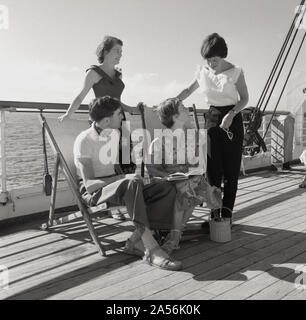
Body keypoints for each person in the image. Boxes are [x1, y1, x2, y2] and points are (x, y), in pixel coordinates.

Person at [73, 96, 182, 270]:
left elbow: (116, 168)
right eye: (119, 114)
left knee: (165, 186)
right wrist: (123, 178)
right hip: (94, 192)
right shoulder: (84, 140)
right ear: (107, 120)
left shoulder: (114, 134)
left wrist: (139, 177)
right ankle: (152, 249)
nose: (122, 118)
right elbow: (90, 185)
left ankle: (137, 240)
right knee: (130, 184)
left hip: (116, 186)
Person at [176, 33, 249, 225]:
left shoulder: (236, 72)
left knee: (231, 172)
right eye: (208, 59)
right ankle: (215, 214)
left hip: (232, 118)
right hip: (212, 119)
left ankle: (227, 215)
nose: (211, 63)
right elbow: (187, 90)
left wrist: (232, 114)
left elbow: (244, 99)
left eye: (214, 59)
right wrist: (173, 101)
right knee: (212, 171)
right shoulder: (203, 71)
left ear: (223, 55)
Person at [59, 35, 136, 220]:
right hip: (104, 121)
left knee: (125, 161)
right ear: (106, 51)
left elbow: (117, 101)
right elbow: (81, 96)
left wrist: (132, 109)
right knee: (105, 160)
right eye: (117, 51)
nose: (120, 55)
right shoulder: (93, 73)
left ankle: (121, 202)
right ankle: (111, 203)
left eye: (121, 52)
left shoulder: (118, 75)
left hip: (119, 120)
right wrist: (69, 114)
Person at [146, 98, 222, 254]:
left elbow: (200, 165)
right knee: (188, 189)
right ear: (175, 117)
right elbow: (152, 168)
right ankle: (175, 237)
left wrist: (192, 172)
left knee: (192, 185)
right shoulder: (158, 141)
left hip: (188, 180)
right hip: (168, 182)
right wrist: (168, 175)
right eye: (183, 108)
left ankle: (174, 236)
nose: (187, 109)